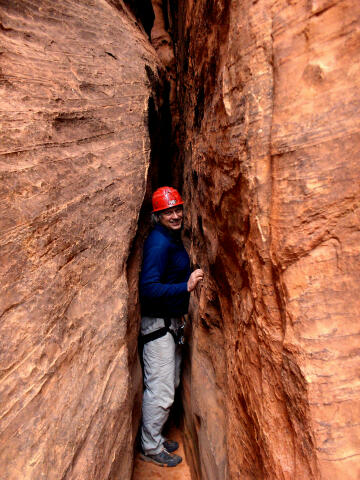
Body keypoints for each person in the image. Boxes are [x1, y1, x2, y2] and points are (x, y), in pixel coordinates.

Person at [139, 186, 204, 467]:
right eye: (169, 212)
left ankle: (153, 435)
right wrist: (186, 286)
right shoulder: (158, 244)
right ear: (158, 216)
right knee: (161, 390)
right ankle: (150, 446)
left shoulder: (171, 237)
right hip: (157, 327)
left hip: (170, 325)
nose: (176, 215)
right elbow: (148, 288)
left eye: (178, 209)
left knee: (170, 384)